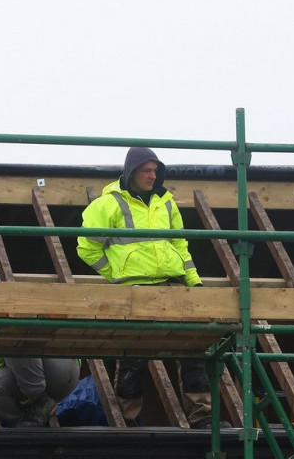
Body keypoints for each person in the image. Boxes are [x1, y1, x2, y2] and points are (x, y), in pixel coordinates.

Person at [76, 146, 214, 428]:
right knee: (133, 356)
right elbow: (87, 249)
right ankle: (127, 419)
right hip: (135, 289)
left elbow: (180, 244)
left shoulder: (166, 203)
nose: (153, 176)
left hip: (174, 284)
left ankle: (202, 415)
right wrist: (117, 275)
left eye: (156, 171)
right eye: (147, 171)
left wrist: (193, 281)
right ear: (132, 172)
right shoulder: (107, 205)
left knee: (192, 350)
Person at [0, 263, 80, 427]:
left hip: (58, 366)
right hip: (35, 375)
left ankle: (39, 401)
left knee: (14, 337)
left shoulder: (13, 305)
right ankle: (27, 422)